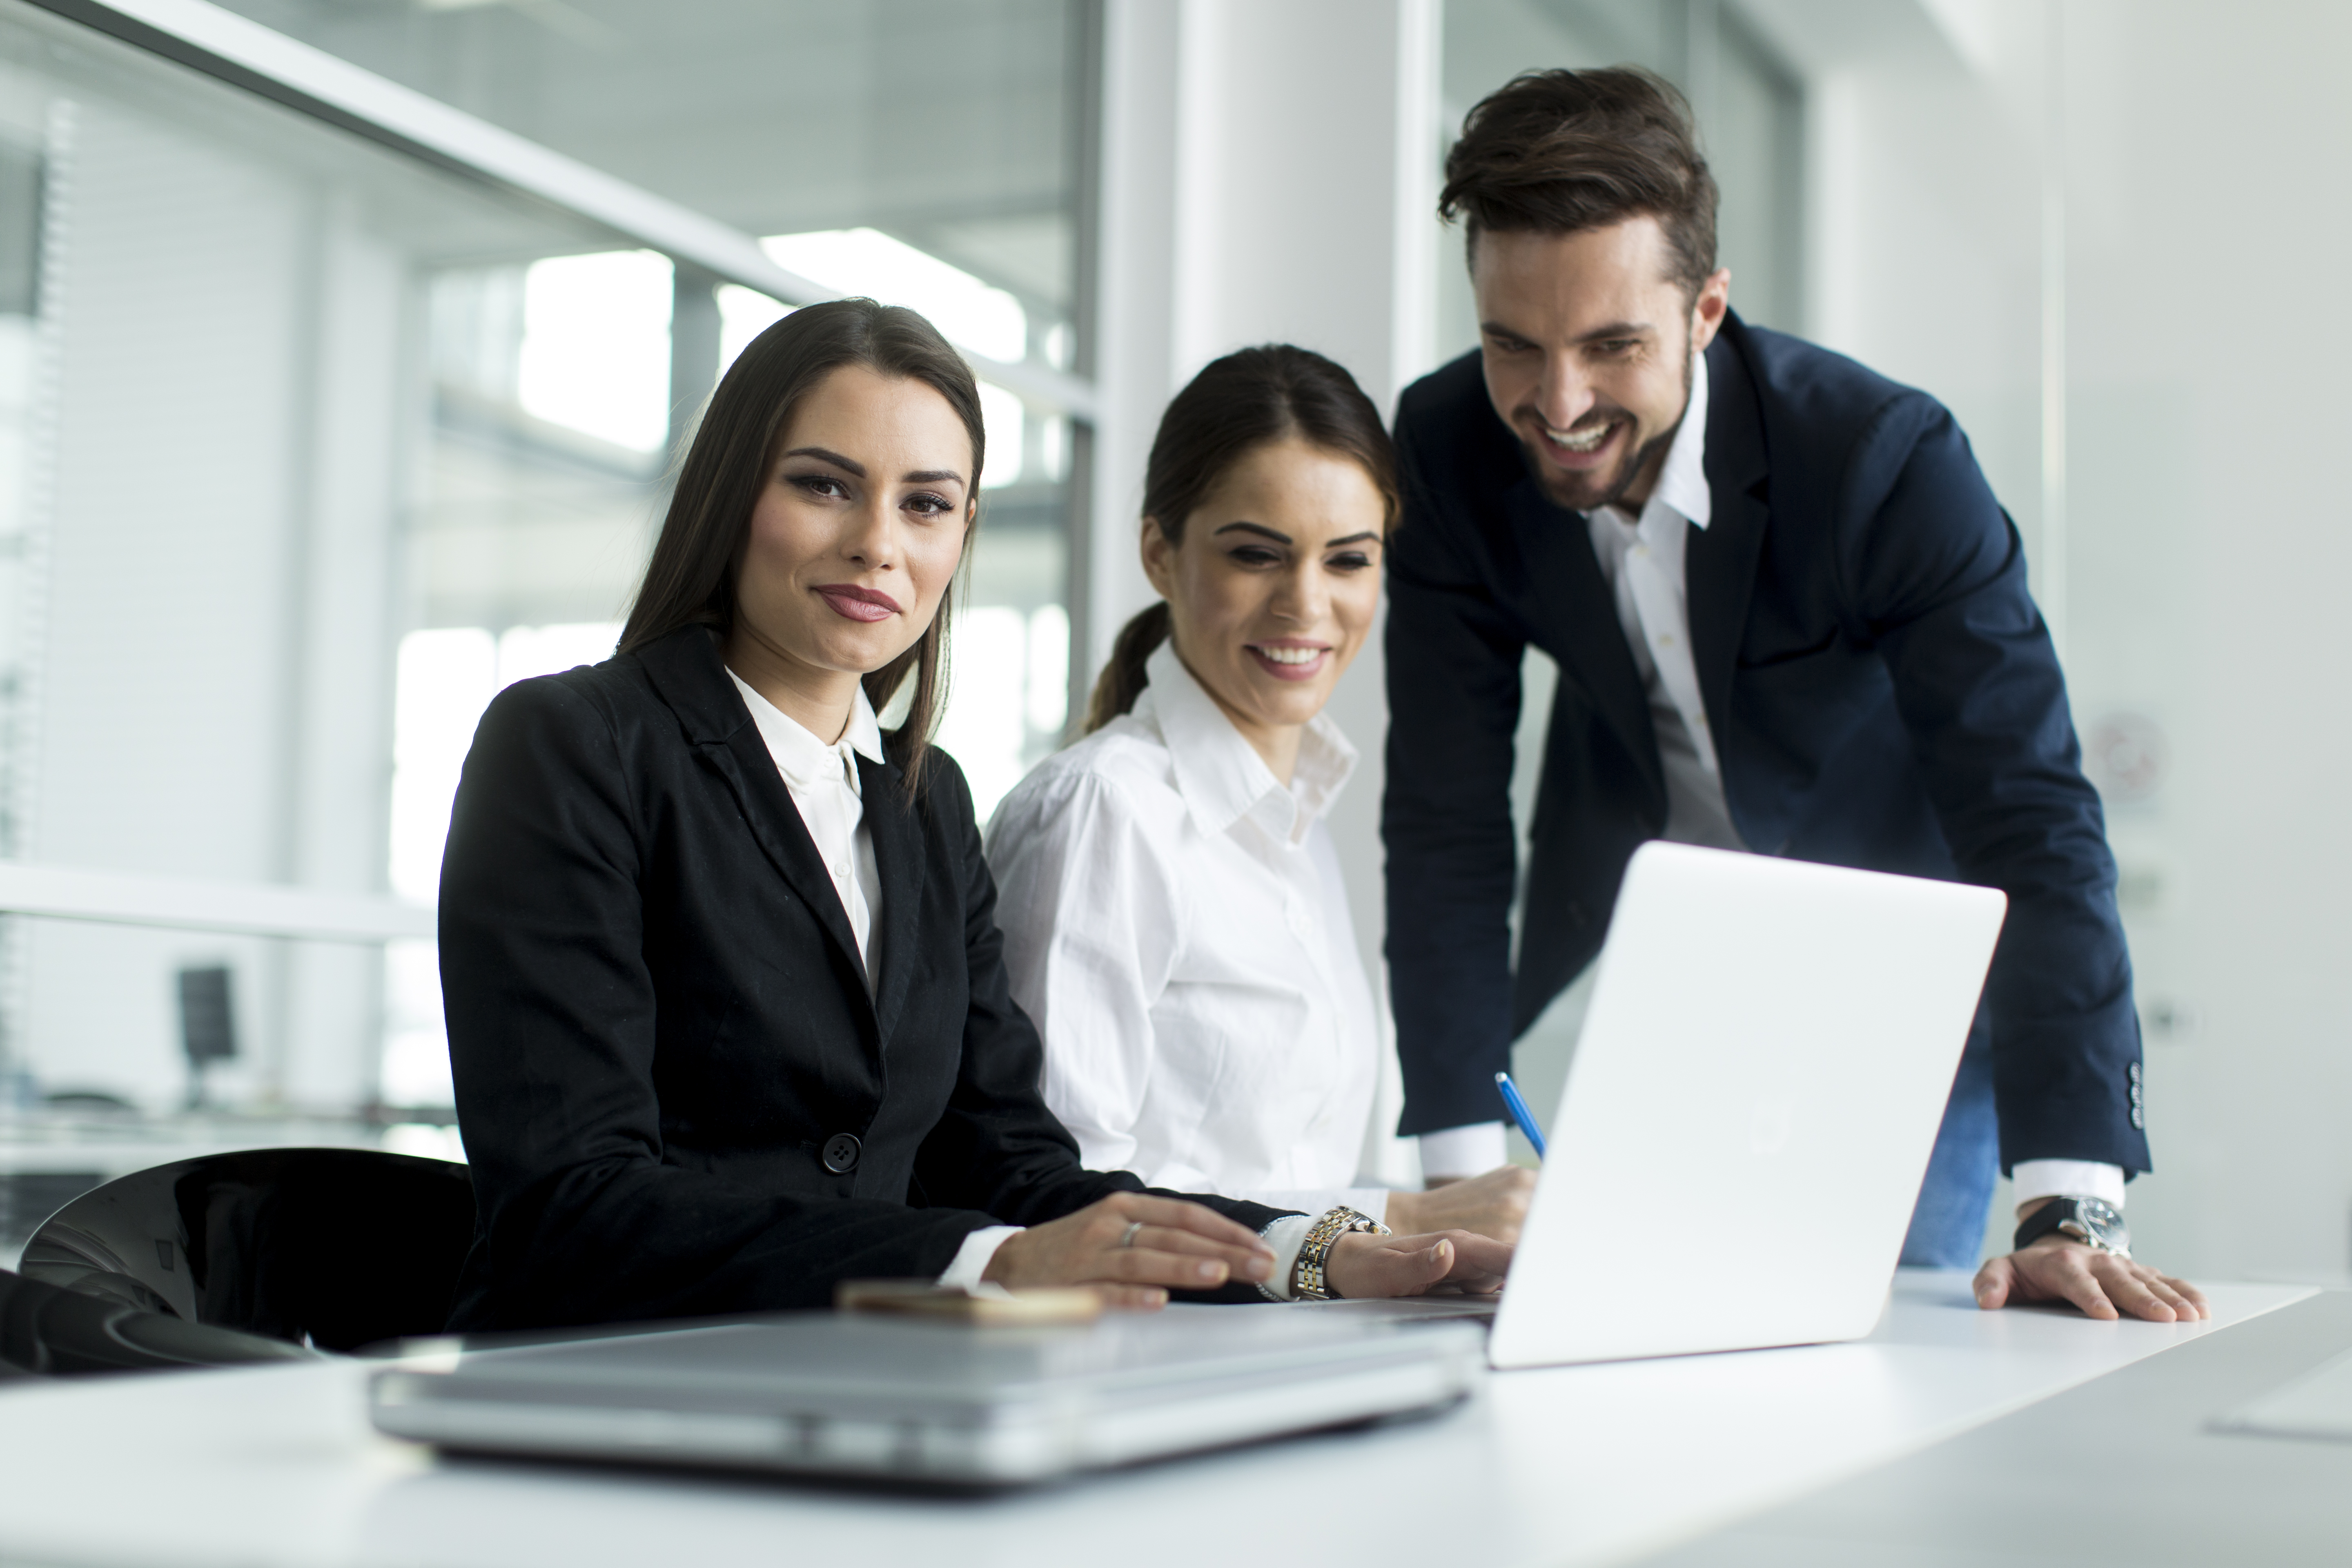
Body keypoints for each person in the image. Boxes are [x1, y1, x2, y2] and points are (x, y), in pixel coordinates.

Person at [438, 299, 1509, 1333]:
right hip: (601, 1390)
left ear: (964, 532)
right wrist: (984, 1259)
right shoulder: (576, 745)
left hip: (859, 1389)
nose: (878, 545)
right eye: (824, 486)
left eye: (926, 503)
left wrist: (1310, 1255)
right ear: (731, 492)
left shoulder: (922, 799)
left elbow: (1014, 1165)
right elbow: (571, 1206)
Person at [1383, 67, 2205, 1323]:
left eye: (1612, 346)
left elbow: (2031, 814)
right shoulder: (1445, 450)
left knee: (1873, 1331)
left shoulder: (1883, 465)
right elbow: (1445, 824)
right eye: (1514, 345)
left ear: (1707, 309)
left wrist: (2070, 1202)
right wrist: (1450, 1187)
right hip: (1683, 973)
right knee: (1642, 1327)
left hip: (1901, 973)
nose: (1556, 407)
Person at [986, 346, 1532, 1243]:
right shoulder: (1102, 814)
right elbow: (1059, 1198)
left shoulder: (1300, 828)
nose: (1306, 606)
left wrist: (1448, 1225)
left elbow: (1278, 1175)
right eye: (1256, 556)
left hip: (1289, 1344)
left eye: (1348, 561)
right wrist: (1397, 1216)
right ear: (1160, 554)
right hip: (1143, 1362)